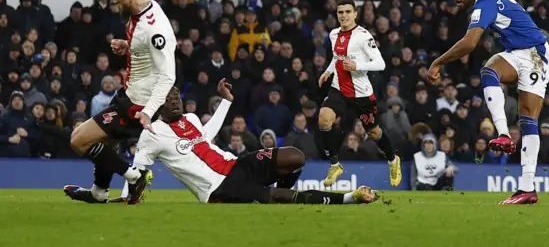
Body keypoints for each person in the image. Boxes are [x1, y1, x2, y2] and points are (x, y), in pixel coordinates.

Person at [115, 79, 378, 205]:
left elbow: (207, 134)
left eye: (176, 96)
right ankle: (350, 198)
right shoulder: (153, 132)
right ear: (157, 104)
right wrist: (125, 197)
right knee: (284, 197)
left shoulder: (191, 119)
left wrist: (226, 100)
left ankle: (273, 193)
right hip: (218, 188)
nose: (175, 100)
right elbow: (137, 168)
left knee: (295, 158)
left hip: (237, 165)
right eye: (168, 98)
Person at [427, 0, 549, 205]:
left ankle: (527, 187)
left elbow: (469, 43)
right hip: (516, 51)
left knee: (529, 120)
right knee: (489, 70)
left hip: (537, 53)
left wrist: (438, 61)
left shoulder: (484, 5)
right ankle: (504, 134)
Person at [64, 0, 177, 204]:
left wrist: (147, 112)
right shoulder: (144, 9)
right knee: (107, 143)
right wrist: (129, 46)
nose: (114, 2)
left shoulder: (154, 29)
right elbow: (148, 48)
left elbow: (168, 75)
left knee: (79, 140)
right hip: (129, 92)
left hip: (140, 104)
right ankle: (99, 192)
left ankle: (134, 177)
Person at [317, 0, 401, 187]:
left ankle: (393, 160)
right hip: (338, 88)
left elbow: (380, 64)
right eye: (340, 12)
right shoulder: (333, 34)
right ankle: (335, 165)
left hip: (361, 93)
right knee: (324, 118)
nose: (344, 16)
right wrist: (329, 71)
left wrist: (356, 65)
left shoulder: (364, 36)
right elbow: (337, 57)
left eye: (348, 12)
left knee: (373, 133)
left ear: (355, 14)